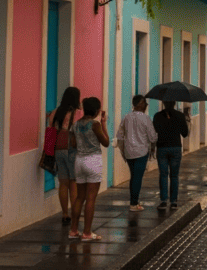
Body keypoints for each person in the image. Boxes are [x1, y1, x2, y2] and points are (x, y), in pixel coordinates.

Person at [68, 97, 109, 240]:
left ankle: (73, 230)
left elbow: (73, 144)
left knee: (80, 197)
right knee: (91, 198)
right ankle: (86, 232)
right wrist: (104, 124)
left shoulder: (76, 125)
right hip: (93, 161)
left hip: (79, 161)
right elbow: (106, 142)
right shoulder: (95, 124)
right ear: (97, 110)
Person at [116, 95, 158, 211]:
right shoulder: (146, 119)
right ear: (140, 104)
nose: (146, 106)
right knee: (137, 178)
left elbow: (119, 135)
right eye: (145, 103)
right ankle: (134, 204)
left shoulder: (126, 117)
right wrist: (153, 146)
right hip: (141, 152)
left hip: (129, 152)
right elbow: (153, 137)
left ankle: (133, 201)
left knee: (133, 176)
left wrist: (123, 150)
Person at [47, 86, 80, 225]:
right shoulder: (76, 114)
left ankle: (65, 214)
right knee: (73, 183)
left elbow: (50, 130)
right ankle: (74, 213)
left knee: (63, 183)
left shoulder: (55, 112)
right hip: (71, 149)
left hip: (58, 149)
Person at [153, 100, 189, 210]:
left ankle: (163, 201)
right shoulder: (180, 115)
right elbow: (185, 133)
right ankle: (173, 202)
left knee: (163, 174)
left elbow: (155, 130)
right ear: (174, 104)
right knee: (174, 175)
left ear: (164, 103)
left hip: (162, 148)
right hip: (175, 147)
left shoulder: (158, 116)